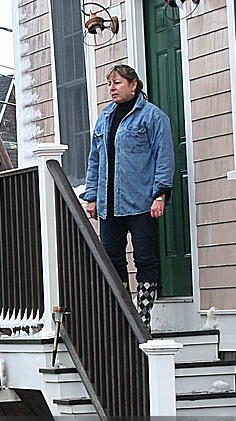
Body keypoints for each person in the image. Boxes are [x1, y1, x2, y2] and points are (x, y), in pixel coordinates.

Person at [81, 65, 174, 328]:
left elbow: (164, 157)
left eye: (118, 83)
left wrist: (160, 194)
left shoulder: (153, 117)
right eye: (109, 83)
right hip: (110, 204)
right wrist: (92, 196)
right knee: (112, 258)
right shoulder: (106, 117)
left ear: (134, 85)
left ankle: (142, 314)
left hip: (142, 201)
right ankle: (122, 313)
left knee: (144, 257)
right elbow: (95, 159)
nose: (112, 88)